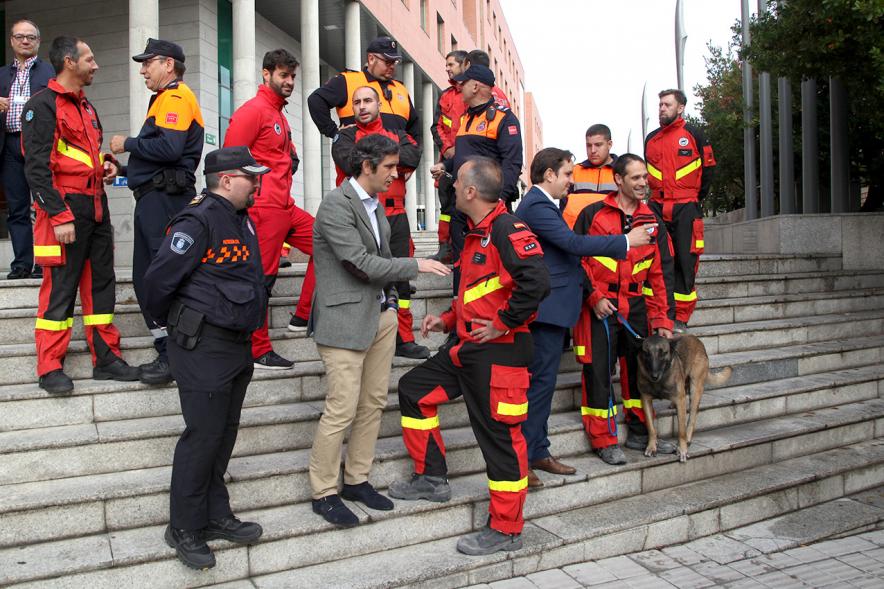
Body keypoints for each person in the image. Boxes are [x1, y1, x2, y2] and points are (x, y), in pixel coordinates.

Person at [390, 156, 550, 556]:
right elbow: (481, 292)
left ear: (471, 191)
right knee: (413, 389)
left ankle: (507, 528)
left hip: (500, 353)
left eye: (456, 181)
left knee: (499, 439)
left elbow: (537, 282)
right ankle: (431, 477)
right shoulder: (477, 232)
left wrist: (503, 323)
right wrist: (446, 320)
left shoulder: (506, 228)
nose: (451, 185)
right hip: (468, 348)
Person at [308, 134, 449, 529]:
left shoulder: (377, 207)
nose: (395, 173)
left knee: (371, 404)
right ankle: (323, 491)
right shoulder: (336, 206)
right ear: (367, 166)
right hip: (343, 323)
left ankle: (356, 480)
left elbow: (380, 257)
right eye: (388, 167)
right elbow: (360, 262)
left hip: (379, 318)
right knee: (341, 409)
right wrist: (414, 266)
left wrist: (390, 302)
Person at [143, 146, 270, 570]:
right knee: (202, 437)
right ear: (228, 180)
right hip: (203, 346)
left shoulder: (240, 219)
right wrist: (175, 329)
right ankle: (183, 526)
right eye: (251, 176)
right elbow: (157, 283)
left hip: (235, 343)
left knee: (223, 433)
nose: (258, 183)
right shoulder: (196, 220)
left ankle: (216, 515)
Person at [515, 148, 654, 487]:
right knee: (539, 385)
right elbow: (571, 243)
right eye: (566, 175)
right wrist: (625, 240)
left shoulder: (548, 204)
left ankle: (538, 451)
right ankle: (523, 461)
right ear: (548, 175)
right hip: (547, 310)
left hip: (558, 307)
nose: (570, 181)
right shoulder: (536, 204)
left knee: (544, 384)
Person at [22, 36, 140, 394]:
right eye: (90, 58)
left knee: (101, 287)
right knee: (59, 289)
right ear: (70, 62)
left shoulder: (86, 107)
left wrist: (105, 165)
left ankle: (106, 358)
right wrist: (59, 217)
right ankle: (49, 367)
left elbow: (80, 155)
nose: (96, 64)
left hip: (96, 206)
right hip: (66, 210)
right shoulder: (41, 105)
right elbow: (37, 169)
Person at [109, 38, 205, 385]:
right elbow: (162, 157)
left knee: (160, 277)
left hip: (166, 201)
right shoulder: (165, 99)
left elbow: (168, 147)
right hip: (157, 197)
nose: (142, 69)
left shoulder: (175, 97)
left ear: (168, 64)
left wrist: (128, 144)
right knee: (150, 277)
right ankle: (169, 350)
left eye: (148, 62)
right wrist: (123, 170)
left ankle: (172, 355)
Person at [572, 154, 675, 465]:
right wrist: (594, 298)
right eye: (635, 178)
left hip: (637, 309)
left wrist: (661, 319)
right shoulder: (592, 215)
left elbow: (659, 274)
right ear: (618, 180)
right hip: (600, 308)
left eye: (645, 177)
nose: (643, 183)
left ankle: (642, 431)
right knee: (599, 375)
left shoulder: (652, 220)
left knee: (640, 375)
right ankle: (604, 440)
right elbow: (577, 261)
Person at [223, 48, 316, 369]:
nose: (289, 81)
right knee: (260, 278)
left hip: (286, 207)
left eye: (292, 76)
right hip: (263, 208)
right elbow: (230, 159)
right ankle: (257, 349)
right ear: (266, 74)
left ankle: (302, 316)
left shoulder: (278, 113)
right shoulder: (253, 111)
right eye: (283, 75)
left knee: (331, 241)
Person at [330, 85, 429, 359]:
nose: (361, 106)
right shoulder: (344, 135)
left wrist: (378, 156)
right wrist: (390, 157)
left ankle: (403, 336)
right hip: (360, 215)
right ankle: (362, 333)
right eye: (357, 102)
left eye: (367, 101)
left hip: (396, 215)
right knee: (365, 274)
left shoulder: (397, 132)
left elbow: (413, 156)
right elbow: (349, 162)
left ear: (379, 105)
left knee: (403, 279)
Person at [430, 64, 522, 295]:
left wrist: (499, 201)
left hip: (488, 209)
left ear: (476, 86)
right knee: (462, 263)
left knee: (490, 264)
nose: (459, 87)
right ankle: (458, 320)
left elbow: (512, 165)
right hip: (462, 206)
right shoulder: (466, 119)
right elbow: (463, 156)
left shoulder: (504, 119)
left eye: (463, 82)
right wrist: (445, 165)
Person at [644, 89, 716, 332]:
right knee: (657, 261)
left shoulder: (694, 134)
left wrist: (696, 200)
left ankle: (681, 319)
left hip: (686, 207)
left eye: (667, 104)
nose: (662, 108)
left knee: (686, 263)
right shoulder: (651, 139)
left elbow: (708, 170)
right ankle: (659, 311)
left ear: (681, 107)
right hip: (656, 206)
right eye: (660, 104)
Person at [0, 19, 53, 279]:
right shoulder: (0, 75)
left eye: (30, 37)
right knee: (17, 208)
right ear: (11, 41)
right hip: (9, 145)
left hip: (40, 146)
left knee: (43, 204)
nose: (25, 41)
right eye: (19, 37)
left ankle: (44, 263)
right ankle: (21, 264)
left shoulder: (50, 73)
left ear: (38, 42)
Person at [308, 36, 420, 145]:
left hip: (397, 162)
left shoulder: (401, 89)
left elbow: (414, 128)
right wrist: (334, 132)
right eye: (387, 62)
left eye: (394, 62)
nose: (392, 66)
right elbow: (316, 100)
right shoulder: (348, 80)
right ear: (371, 59)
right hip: (360, 160)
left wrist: (413, 153)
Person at [428, 49, 468, 263]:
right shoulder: (445, 95)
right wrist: (447, 150)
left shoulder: (473, 92)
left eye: (451, 64)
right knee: (446, 209)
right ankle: (445, 248)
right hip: (449, 161)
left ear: (464, 65)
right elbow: (436, 127)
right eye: (446, 65)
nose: (447, 68)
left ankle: (463, 249)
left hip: (469, 162)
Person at [561, 124, 618, 229]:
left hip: (612, 237)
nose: (592, 150)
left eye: (598, 145)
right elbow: (563, 205)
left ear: (609, 144)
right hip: (576, 237)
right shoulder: (574, 171)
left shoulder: (622, 172)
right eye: (589, 145)